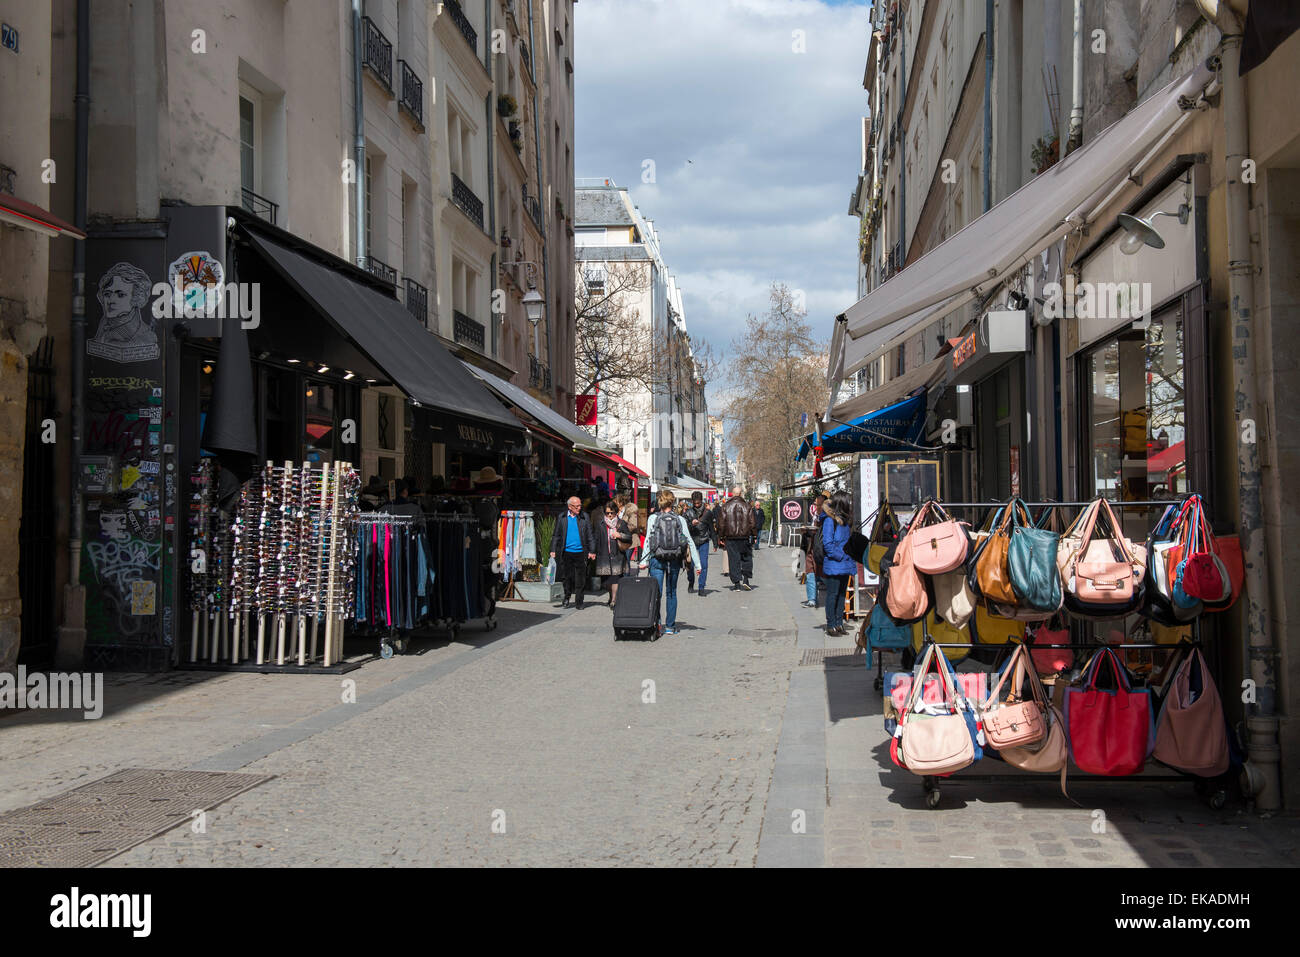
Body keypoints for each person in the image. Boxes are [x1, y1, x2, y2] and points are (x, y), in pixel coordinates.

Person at [639, 490, 701, 636]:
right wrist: (698, 564)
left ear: (660, 502)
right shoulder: (680, 519)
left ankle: (658, 624)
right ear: (672, 502)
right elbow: (689, 542)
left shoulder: (653, 518)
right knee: (671, 592)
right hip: (674, 559)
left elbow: (648, 540)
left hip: (656, 560)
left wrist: (643, 561)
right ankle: (670, 627)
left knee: (657, 593)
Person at [820, 490, 856, 637]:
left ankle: (839, 623)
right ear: (842, 503)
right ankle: (831, 625)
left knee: (842, 594)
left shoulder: (845, 520)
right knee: (833, 594)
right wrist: (841, 556)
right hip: (836, 563)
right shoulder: (830, 520)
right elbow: (828, 544)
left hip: (845, 563)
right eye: (848, 501)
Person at [549, 496, 596, 609]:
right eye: (577, 506)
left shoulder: (585, 517)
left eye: (580, 505)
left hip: (581, 552)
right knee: (566, 577)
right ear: (569, 507)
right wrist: (553, 549)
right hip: (566, 552)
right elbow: (556, 535)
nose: (579, 508)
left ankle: (579, 601)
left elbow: (590, 535)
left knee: (581, 578)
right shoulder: (562, 517)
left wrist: (592, 551)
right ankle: (567, 597)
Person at [716, 484, 756, 590]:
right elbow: (752, 523)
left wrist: (721, 537)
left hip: (731, 537)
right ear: (740, 494)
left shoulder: (725, 506)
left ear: (732, 495)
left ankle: (737, 583)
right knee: (746, 558)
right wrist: (754, 535)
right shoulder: (747, 506)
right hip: (744, 537)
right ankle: (746, 579)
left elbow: (721, 524)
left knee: (734, 560)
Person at [593, 501, 633, 606]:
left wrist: (619, 535)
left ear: (616, 512)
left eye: (612, 512)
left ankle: (614, 600)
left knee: (615, 578)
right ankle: (611, 595)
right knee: (606, 582)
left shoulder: (621, 523)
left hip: (617, 555)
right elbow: (595, 539)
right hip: (604, 555)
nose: (610, 515)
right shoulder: (600, 524)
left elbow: (629, 537)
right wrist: (592, 551)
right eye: (607, 513)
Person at [683, 491, 715, 595]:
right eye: (695, 503)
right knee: (690, 565)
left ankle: (701, 587)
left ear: (702, 501)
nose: (697, 505)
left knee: (704, 564)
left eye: (699, 503)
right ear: (692, 502)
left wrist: (715, 542)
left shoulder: (708, 513)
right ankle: (691, 582)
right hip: (691, 541)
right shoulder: (687, 513)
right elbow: (683, 529)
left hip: (704, 540)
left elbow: (711, 528)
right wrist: (691, 525)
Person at [802, 494, 827, 608]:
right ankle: (812, 599)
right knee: (810, 573)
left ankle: (829, 597)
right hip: (811, 547)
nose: (815, 506)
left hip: (820, 549)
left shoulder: (826, 518)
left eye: (817, 504)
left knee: (821, 574)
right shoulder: (815, 516)